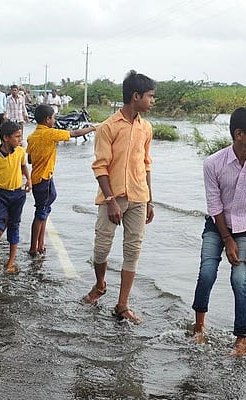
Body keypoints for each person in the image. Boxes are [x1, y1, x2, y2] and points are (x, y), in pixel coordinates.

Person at [190, 107, 246, 357]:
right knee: (206, 273)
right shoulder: (213, 163)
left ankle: (241, 338)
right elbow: (214, 205)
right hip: (217, 227)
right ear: (239, 134)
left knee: (239, 280)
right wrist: (227, 240)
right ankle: (199, 327)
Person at [82, 70, 156, 325]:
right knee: (101, 248)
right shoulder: (108, 127)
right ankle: (100, 284)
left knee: (132, 250)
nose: (152, 101)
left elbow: (146, 164)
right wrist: (111, 199)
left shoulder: (146, 128)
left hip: (139, 197)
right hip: (112, 198)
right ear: (135, 97)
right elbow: (100, 166)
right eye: (149, 96)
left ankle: (122, 304)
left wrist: (150, 199)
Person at [25, 104, 96, 256]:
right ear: (48, 119)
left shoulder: (32, 137)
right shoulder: (50, 133)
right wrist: (93, 128)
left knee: (43, 210)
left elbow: (30, 160)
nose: (54, 120)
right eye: (53, 118)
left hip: (37, 178)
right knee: (40, 213)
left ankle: (40, 243)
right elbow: (74, 133)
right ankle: (33, 247)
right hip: (45, 178)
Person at [0, 120, 31, 272]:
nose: (20, 140)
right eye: (17, 137)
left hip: (18, 194)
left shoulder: (21, 152)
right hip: (0, 195)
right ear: (6, 138)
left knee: (14, 226)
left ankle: (10, 262)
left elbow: (23, 166)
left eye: (20, 136)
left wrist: (28, 180)